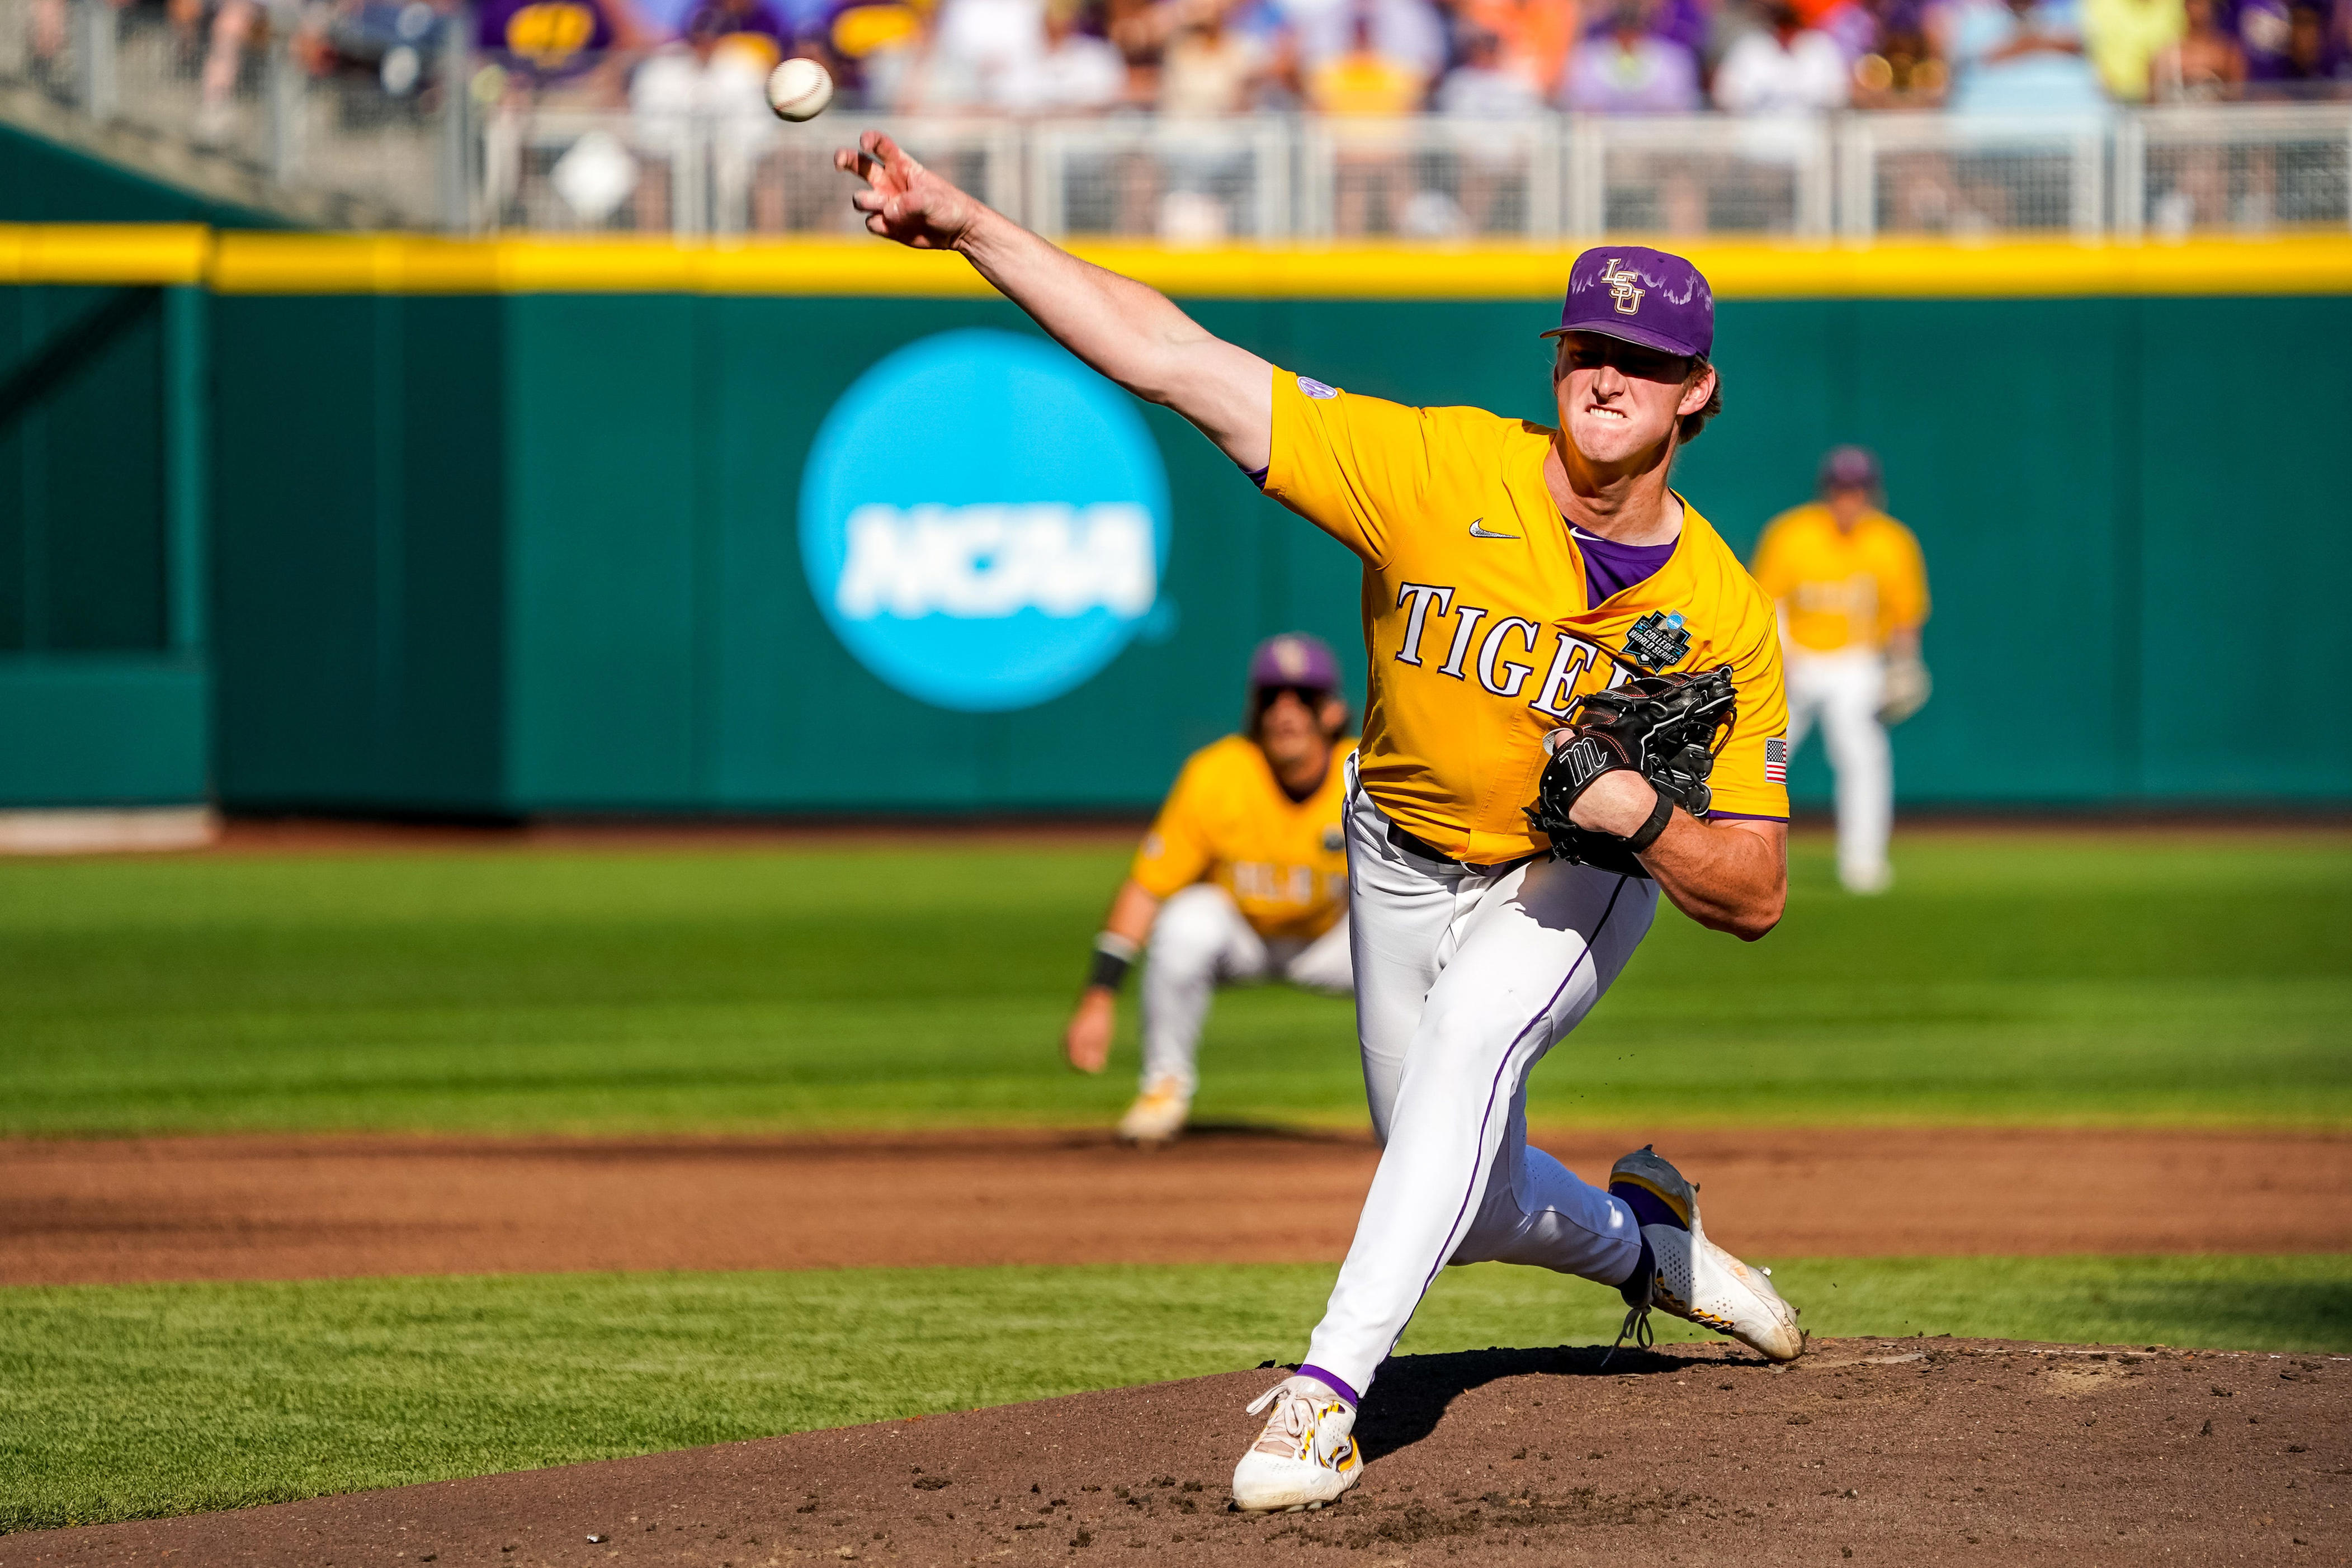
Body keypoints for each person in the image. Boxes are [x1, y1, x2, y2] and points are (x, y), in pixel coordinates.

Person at [835, 127, 1806, 1513]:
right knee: (1454, 1187)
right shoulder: (1430, 469)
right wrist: (966, 221)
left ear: (1694, 391)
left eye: (1644, 360)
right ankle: (1646, 1246)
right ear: (1555, 362)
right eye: (1587, 344)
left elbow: (1755, 887)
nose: (1608, 373)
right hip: (1394, 859)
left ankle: (1325, 1394)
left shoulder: (1720, 610)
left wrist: (1641, 814)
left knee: (1469, 1053)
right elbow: (1171, 361)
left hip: (1564, 878)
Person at [1063, 634, 1357, 1144]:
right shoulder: (1218, 774)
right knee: (1186, 919)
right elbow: (1147, 888)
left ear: (1331, 711)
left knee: (1424, 940)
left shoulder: (1367, 776)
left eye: (1302, 697)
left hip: (1335, 943)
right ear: (1254, 708)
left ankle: (1420, 1108)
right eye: (1271, 697)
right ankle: (1164, 1089)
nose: (1285, 712)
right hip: (1243, 935)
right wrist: (1099, 995)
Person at [1749, 446, 1930, 896]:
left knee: (1863, 758)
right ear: (1826, 490)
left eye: (1858, 488)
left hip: (1857, 666)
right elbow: (1769, 602)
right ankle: (1741, 852)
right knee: (1769, 758)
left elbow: (1906, 614)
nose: (1849, 498)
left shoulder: (1892, 541)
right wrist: (1780, 659)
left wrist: (1905, 663)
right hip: (1797, 664)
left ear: (1874, 492)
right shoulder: (1792, 533)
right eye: (1841, 488)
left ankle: (1863, 860)